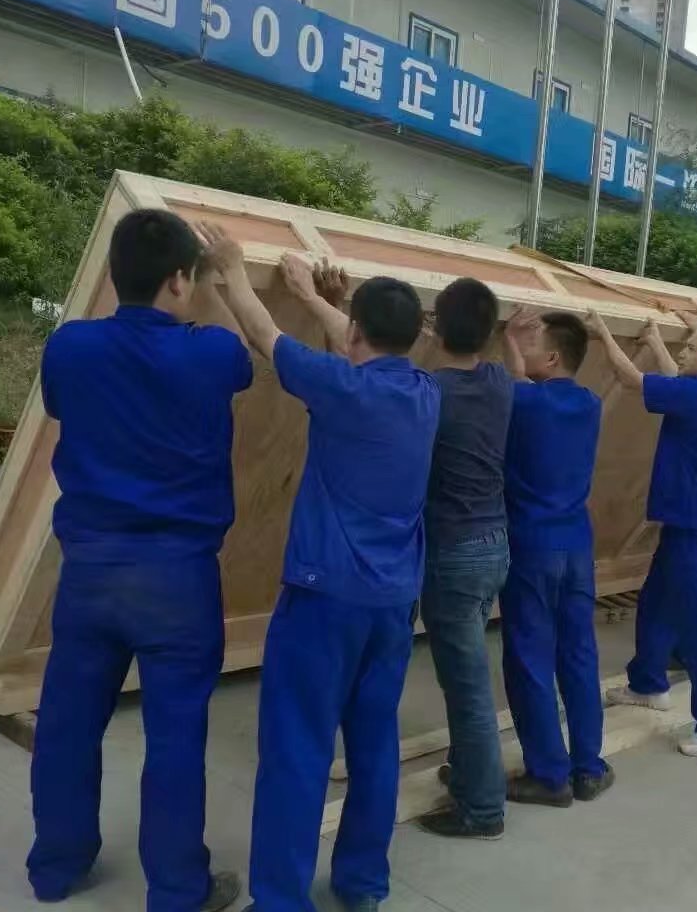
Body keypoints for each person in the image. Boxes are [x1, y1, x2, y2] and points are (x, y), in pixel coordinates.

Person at [28, 211, 249, 912]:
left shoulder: (70, 347)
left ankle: (56, 869)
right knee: (176, 737)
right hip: (179, 579)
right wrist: (221, 280)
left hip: (90, 572)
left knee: (67, 725)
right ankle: (178, 891)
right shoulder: (210, 352)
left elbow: (66, 406)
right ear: (180, 280)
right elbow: (244, 357)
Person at [220, 249, 439, 912]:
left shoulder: (344, 387)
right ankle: (362, 883)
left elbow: (263, 333)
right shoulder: (424, 394)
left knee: (297, 749)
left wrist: (231, 270)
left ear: (356, 333)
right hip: (392, 604)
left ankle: (281, 901)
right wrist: (322, 301)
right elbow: (357, 347)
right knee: (373, 746)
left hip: (325, 599)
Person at [592, 312, 697, 756]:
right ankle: (647, 684)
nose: (684, 351)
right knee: (657, 601)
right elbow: (675, 379)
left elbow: (632, 380)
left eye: (692, 347)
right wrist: (657, 339)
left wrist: (602, 331)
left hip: (696, 526)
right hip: (691, 520)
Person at [496, 308, 613, 807]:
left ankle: (548, 775)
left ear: (551, 358)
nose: (524, 349)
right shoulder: (589, 403)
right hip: (576, 546)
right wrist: (515, 341)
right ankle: (588, 767)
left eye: (533, 343)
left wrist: (503, 337)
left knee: (529, 657)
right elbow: (526, 383)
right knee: (578, 655)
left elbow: (516, 387)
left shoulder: (523, 402)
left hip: (532, 546)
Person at [416, 278, 513, 841]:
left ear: (436, 327)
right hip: (493, 544)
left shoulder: (431, 392)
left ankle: (482, 809)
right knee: (469, 673)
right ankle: (470, 770)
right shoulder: (499, 382)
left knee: (467, 686)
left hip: (453, 551)